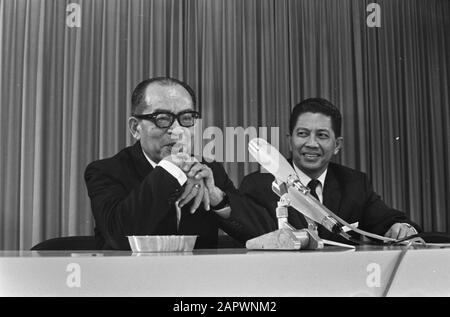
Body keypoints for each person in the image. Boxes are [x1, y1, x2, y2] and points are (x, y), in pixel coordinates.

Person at [84, 77, 247, 250]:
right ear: (135, 128)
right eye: (162, 118)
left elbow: (258, 237)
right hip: (134, 275)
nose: (177, 130)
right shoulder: (106, 171)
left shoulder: (208, 170)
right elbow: (121, 238)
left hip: (198, 275)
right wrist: (170, 168)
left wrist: (217, 198)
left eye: (186, 118)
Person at [239, 98, 421, 244]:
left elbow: (387, 221)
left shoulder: (354, 183)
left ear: (337, 145)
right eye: (302, 134)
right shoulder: (259, 185)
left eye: (322, 135)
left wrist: (401, 228)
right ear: (289, 140)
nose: (311, 144)